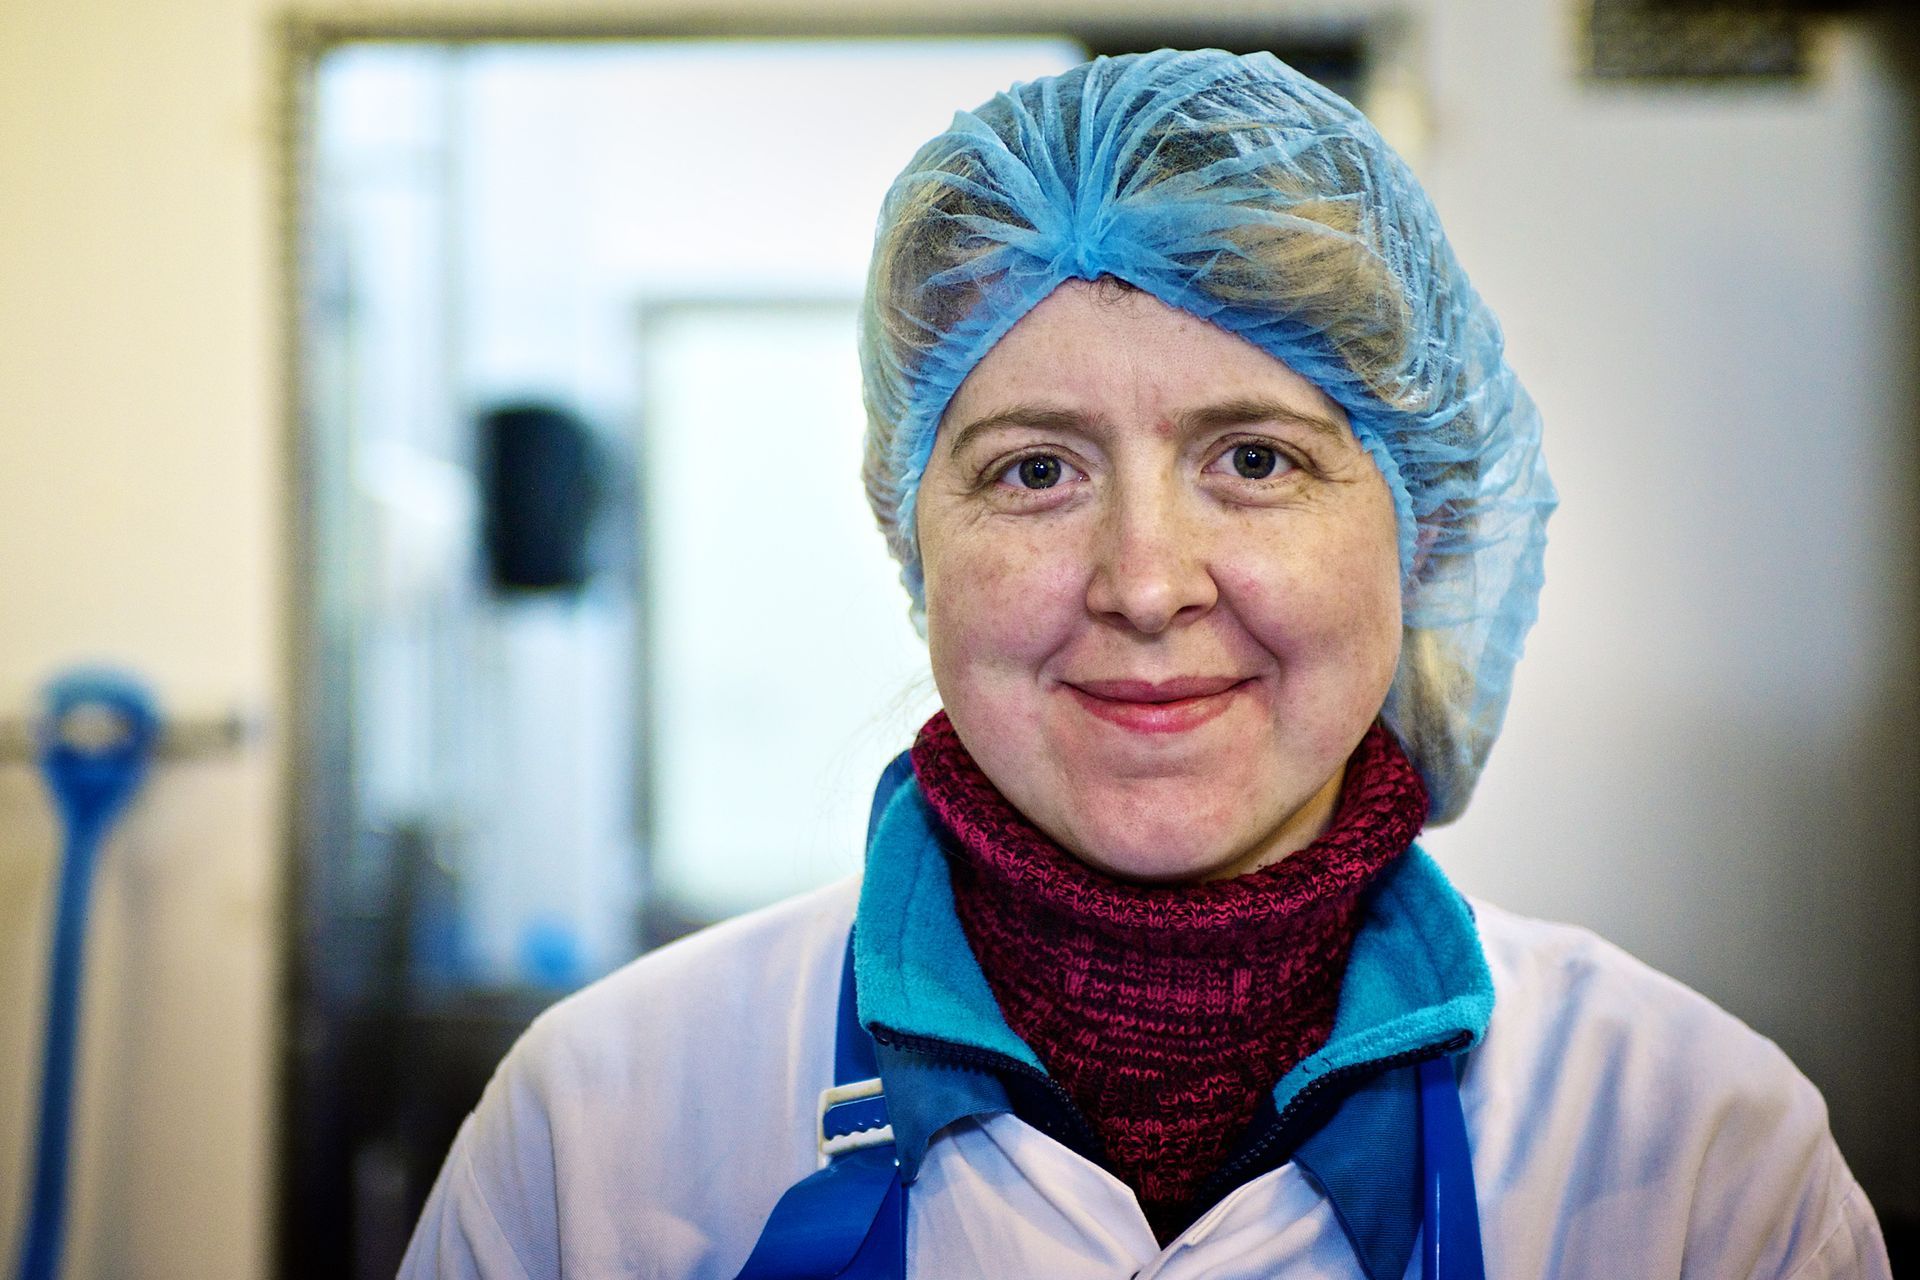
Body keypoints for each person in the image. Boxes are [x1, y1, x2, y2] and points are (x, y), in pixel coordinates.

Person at [399, 48, 1891, 1278]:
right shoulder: (596, 1132)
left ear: (1420, 527)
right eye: (1037, 471)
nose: (1145, 585)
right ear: (913, 538)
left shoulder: (1695, 1154)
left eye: (1255, 457)